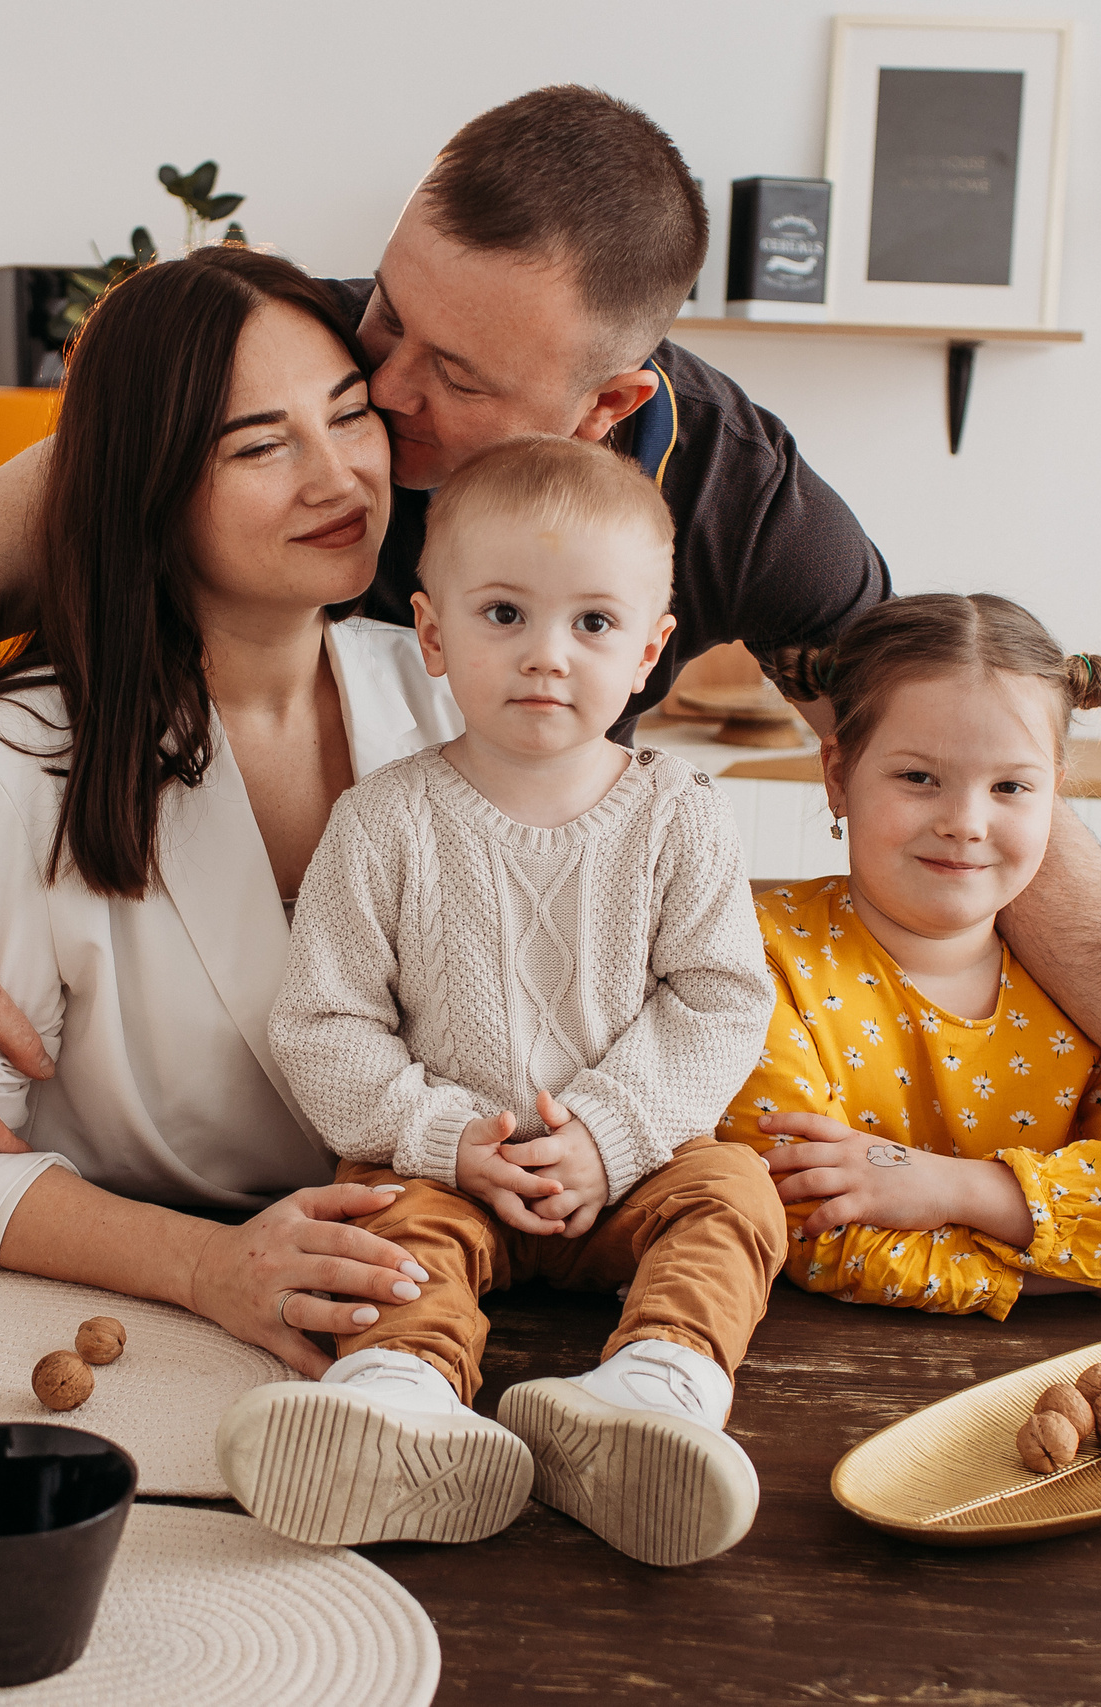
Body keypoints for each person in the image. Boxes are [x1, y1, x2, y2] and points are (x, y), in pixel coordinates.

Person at [0, 83, 1101, 1305]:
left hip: (496, 1181)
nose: (376, 407)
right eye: (383, 319)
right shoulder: (290, 358)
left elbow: (955, 743)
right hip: (248, 1221)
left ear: (602, 412)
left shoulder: (696, 538)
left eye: (436, 377)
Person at [0, 245, 472, 1377]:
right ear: (147, 483)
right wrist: (209, 1267)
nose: (339, 479)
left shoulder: (450, 695)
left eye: (349, 418)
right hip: (139, 1319)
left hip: (423, 1291)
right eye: (259, 446)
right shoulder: (22, 754)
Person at [226, 437, 781, 1568]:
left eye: (591, 624)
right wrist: (443, 1137)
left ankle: (653, 1396)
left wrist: (610, 1136)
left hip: (633, 1174)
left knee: (735, 1191)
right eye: (502, 616)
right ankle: (397, 1403)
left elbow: (720, 1001)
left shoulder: (679, 816)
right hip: (447, 1170)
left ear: (649, 652)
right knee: (380, 1223)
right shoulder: (382, 822)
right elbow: (321, 1024)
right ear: (433, 635)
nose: (545, 656)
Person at [730, 594, 1101, 1315]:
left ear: (1057, 794)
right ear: (838, 775)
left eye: (1011, 786)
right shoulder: (758, 959)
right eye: (919, 777)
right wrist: (1093, 1267)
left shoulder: (1082, 988)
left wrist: (952, 1188)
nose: (965, 823)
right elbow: (813, 1234)